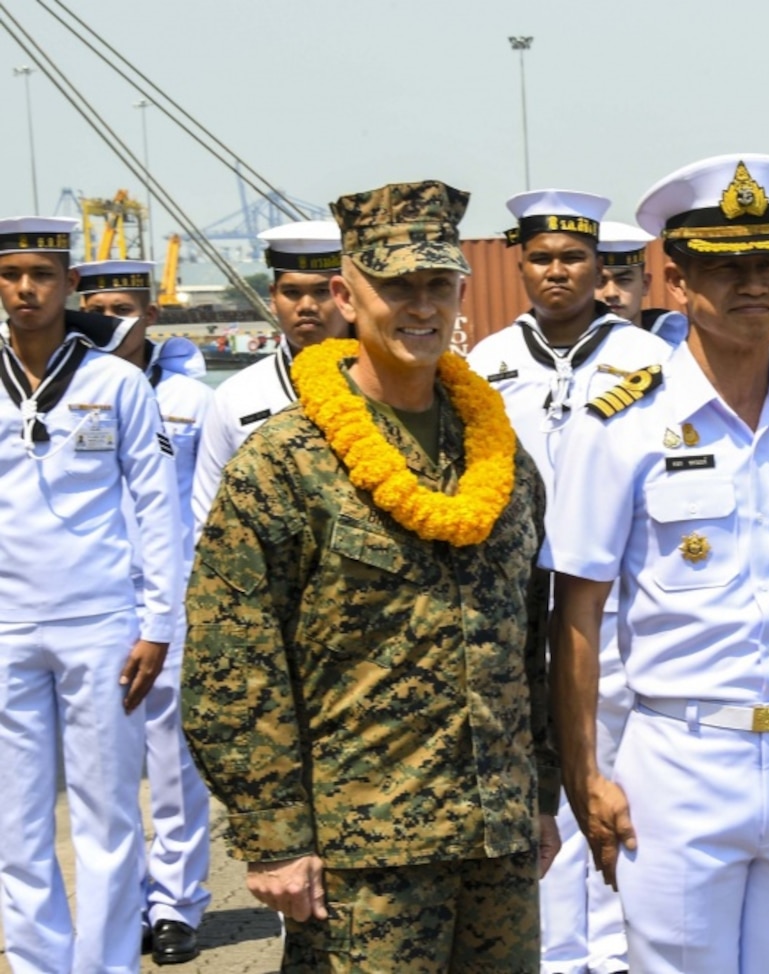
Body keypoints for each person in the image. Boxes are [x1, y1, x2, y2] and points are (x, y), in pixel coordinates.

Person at [182, 180, 561, 973]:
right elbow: (234, 664)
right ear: (344, 295)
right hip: (361, 856)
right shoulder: (285, 462)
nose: (420, 306)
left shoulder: (500, 458)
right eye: (396, 286)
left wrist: (539, 795)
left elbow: (527, 641)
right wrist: (274, 838)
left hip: (495, 839)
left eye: (437, 285)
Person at [542, 153, 769, 974]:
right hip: (681, 762)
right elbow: (578, 615)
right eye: (725, 268)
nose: (754, 286)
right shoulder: (618, 427)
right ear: (677, 282)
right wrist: (583, 772)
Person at [468, 190, 668, 974]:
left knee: (618, 771)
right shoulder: (484, 362)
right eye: (543, 258)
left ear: (599, 267)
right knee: (537, 778)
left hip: (615, 601)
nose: (558, 272)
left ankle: (620, 951)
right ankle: (554, 955)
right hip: (520, 601)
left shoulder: (649, 359)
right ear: (519, 264)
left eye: (574, 258)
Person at [0, 218, 181, 974]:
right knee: (17, 820)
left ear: (69, 286)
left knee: (108, 816)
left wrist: (159, 622)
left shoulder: (115, 382)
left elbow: (155, 505)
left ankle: (104, 965)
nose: (24, 290)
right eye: (10, 276)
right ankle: (39, 964)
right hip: (7, 624)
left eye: (40, 275)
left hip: (104, 624)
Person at [77, 259, 215, 964]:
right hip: (97, 597)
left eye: (123, 308)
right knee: (102, 766)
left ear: (151, 315)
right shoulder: (74, 388)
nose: (111, 319)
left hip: (176, 595)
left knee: (173, 759)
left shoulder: (191, 396)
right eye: (97, 306)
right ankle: (121, 903)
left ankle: (177, 904)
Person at [191, 219, 349, 530]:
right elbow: (208, 515)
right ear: (273, 298)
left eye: (321, 291)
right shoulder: (237, 396)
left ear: (346, 295)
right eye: (292, 292)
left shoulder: (389, 383)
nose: (306, 306)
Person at [595, 219, 688, 345]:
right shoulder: (562, 355)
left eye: (624, 280)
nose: (611, 293)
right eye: (599, 281)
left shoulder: (678, 347)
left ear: (645, 284)